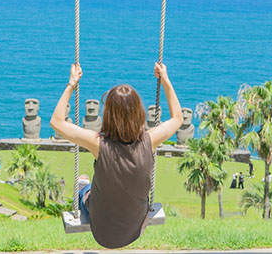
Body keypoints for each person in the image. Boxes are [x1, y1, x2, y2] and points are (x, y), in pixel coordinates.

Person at [51, 62, 182, 249]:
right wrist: (165, 80)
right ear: (139, 112)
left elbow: (57, 122)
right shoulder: (150, 140)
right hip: (135, 229)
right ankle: (85, 185)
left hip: (102, 233)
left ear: (108, 114)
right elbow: (177, 118)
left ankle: (83, 185)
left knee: (85, 191)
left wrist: (72, 83)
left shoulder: (98, 144)